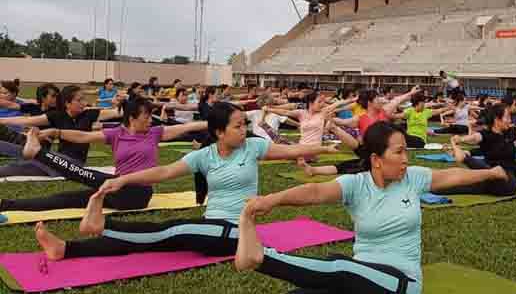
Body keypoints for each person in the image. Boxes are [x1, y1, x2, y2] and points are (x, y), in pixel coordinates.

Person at [32, 102, 339, 262]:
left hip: (236, 231)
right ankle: (67, 250)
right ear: (219, 132)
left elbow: (293, 150)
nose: (244, 130)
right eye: (237, 126)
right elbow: (164, 172)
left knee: (172, 229)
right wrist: (123, 180)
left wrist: (323, 148)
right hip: (212, 227)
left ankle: (103, 227)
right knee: (158, 239)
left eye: (244, 124)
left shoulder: (254, 147)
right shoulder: (205, 155)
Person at [233, 121, 509, 294]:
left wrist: (490, 173)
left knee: (340, 267)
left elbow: (451, 176)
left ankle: (261, 258)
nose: (405, 158)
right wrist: (272, 199)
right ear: (377, 159)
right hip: (360, 277)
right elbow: (315, 191)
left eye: (406, 152)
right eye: (399, 152)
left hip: (400, 283)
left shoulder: (412, 178)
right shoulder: (357, 184)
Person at [0, 98, 208, 215]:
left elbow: (191, 125)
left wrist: (217, 121)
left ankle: (36, 153)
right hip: (115, 186)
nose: (150, 121)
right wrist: (55, 132)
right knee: (64, 198)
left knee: (82, 173)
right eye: (146, 117)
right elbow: (84, 136)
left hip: (137, 194)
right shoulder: (117, 133)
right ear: (132, 118)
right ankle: (7, 204)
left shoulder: (156, 133)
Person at [436, 103, 516, 197]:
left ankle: (465, 159)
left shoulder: (512, 132)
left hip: (508, 182)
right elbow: (474, 138)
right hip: (487, 177)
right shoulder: (486, 135)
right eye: (507, 117)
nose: (510, 120)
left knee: (496, 171)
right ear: (496, 119)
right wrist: (460, 140)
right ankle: (431, 187)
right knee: (459, 186)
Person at [0, 86, 122, 177]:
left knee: (32, 156)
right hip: (54, 161)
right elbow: (27, 120)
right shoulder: (57, 115)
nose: (84, 103)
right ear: (67, 103)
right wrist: (2, 121)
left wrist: (126, 101)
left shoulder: (90, 114)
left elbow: (119, 112)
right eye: (79, 100)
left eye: (84, 100)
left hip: (74, 164)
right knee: (15, 168)